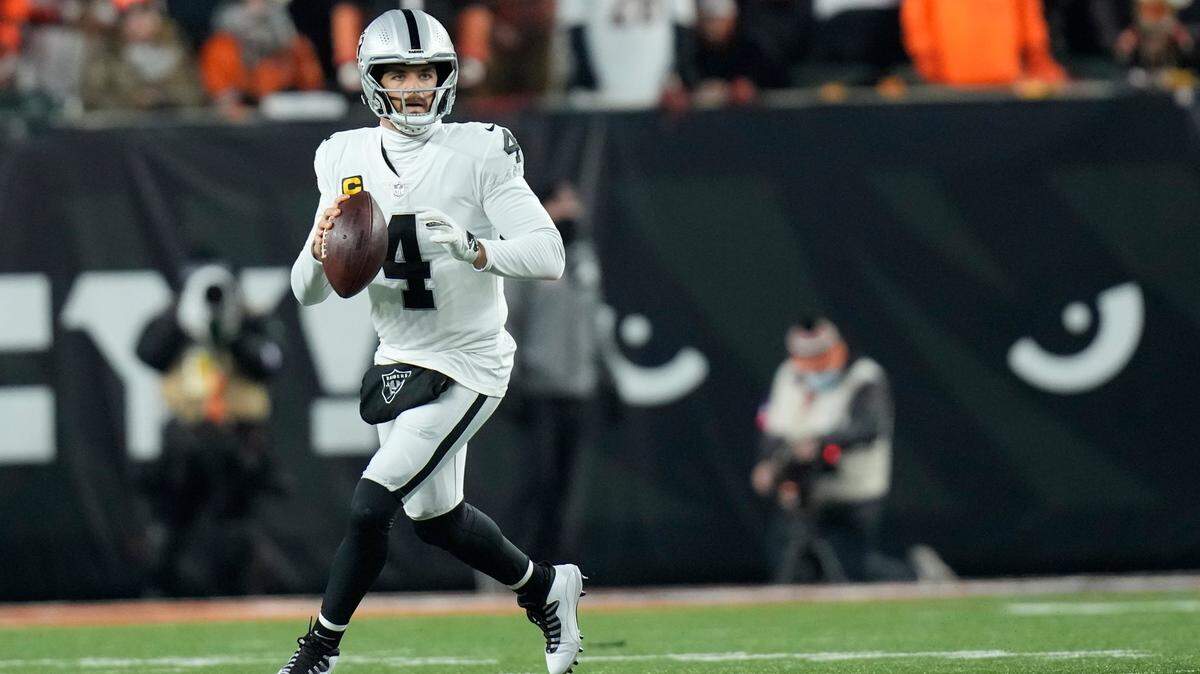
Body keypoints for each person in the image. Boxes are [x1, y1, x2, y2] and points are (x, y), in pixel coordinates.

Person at [280, 9, 583, 674]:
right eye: (399, 73)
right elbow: (306, 290)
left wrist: (478, 251)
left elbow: (548, 252)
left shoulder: (479, 151)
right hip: (400, 357)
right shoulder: (342, 157)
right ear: (373, 81)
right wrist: (318, 242)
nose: (415, 87)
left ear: (446, 78)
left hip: (469, 360)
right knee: (434, 516)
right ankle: (544, 588)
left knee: (370, 504)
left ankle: (318, 652)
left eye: (427, 73)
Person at [135, 261, 294, 596]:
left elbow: (269, 362)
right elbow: (148, 353)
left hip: (237, 436)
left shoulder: (250, 319)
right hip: (187, 434)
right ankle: (161, 595)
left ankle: (236, 595)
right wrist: (181, 321)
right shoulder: (174, 321)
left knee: (234, 522)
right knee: (170, 521)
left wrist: (233, 333)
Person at [751, 318, 904, 583]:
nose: (816, 367)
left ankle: (919, 578)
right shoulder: (789, 375)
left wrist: (821, 444)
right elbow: (774, 428)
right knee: (790, 566)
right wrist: (767, 463)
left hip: (854, 490)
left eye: (820, 356)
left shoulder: (864, 376)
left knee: (854, 567)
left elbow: (869, 427)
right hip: (805, 491)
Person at [504, 182, 603, 560]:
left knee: (565, 485)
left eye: (573, 200)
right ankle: (507, 562)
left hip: (578, 386)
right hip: (539, 388)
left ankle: (553, 566)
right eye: (561, 202)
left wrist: (605, 375)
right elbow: (509, 321)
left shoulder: (584, 256)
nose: (572, 209)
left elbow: (594, 319)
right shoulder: (528, 254)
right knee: (536, 480)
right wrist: (511, 381)